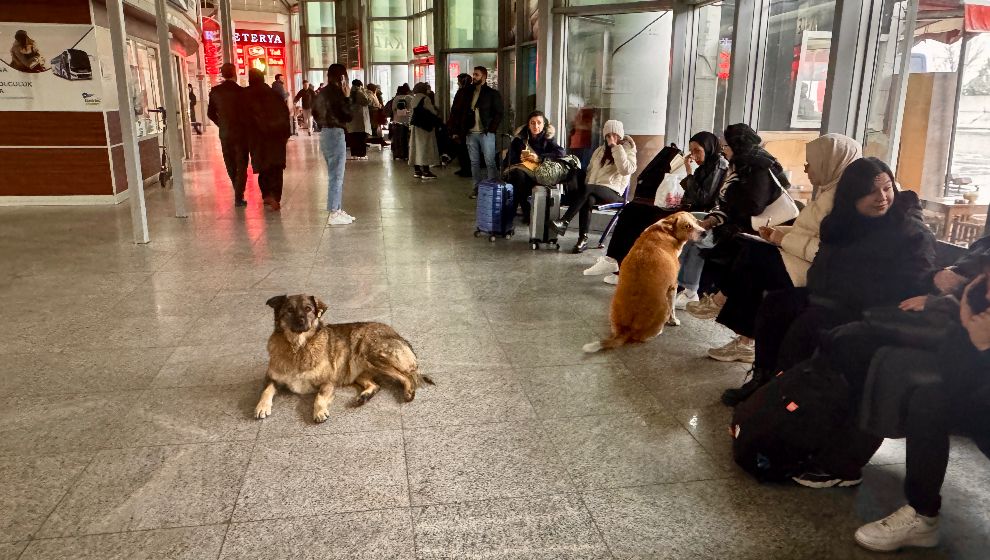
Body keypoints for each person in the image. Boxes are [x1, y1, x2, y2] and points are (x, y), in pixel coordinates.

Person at [726, 157, 937, 406]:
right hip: (829, 297)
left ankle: (784, 395)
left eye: (887, 188)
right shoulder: (841, 224)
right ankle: (764, 379)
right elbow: (823, 266)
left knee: (807, 325)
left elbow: (914, 282)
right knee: (776, 304)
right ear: (851, 196)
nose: (882, 197)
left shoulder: (909, 232)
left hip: (870, 309)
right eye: (871, 192)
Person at [695, 134, 862, 366]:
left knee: (754, 259)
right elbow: (811, 233)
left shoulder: (843, 200)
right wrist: (780, 234)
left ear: (829, 163)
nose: (806, 168)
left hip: (819, 270)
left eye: (811, 163)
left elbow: (825, 249)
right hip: (803, 259)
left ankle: (727, 310)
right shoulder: (830, 191)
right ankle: (741, 334)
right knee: (750, 253)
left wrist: (782, 240)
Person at [683, 123, 790, 315]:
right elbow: (729, 205)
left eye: (726, 146)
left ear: (736, 145)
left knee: (729, 252)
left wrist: (718, 215)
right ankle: (700, 293)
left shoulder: (758, 167)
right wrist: (711, 220)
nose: (723, 151)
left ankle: (713, 298)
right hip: (743, 224)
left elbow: (751, 206)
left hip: (762, 229)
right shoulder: (740, 166)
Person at [551, 120, 637, 253]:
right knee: (588, 198)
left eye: (614, 135)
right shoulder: (599, 151)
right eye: (608, 135)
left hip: (614, 193)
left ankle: (564, 221)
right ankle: (582, 239)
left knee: (588, 189)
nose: (611, 138)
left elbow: (626, 170)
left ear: (620, 136)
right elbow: (590, 172)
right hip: (594, 191)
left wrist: (615, 147)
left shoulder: (628, 150)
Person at [448, 66, 504, 198]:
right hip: (470, 132)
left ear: (484, 76)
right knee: (474, 162)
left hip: (485, 132)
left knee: (489, 161)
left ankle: (492, 188)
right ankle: (476, 188)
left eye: (477, 75)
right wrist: (458, 129)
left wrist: (491, 129)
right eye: (473, 74)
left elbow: (499, 113)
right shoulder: (467, 92)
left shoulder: (492, 93)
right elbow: (459, 111)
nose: (474, 77)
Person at [504, 110, 566, 225]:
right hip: (521, 174)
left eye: (539, 123)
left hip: (539, 175)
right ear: (528, 124)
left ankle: (523, 214)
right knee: (518, 176)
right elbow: (507, 161)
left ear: (544, 125)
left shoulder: (547, 139)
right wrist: (521, 158)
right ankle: (527, 213)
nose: (536, 126)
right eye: (532, 123)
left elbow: (561, 153)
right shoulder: (520, 139)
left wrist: (539, 158)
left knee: (520, 182)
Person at [312, 63, 355, 225]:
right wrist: (347, 97)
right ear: (342, 77)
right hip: (336, 133)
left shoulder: (321, 93)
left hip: (325, 133)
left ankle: (337, 208)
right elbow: (348, 115)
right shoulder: (338, 93)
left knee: (334, 173)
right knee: (336, 175)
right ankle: (334, 212)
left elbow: (315, 113)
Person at [244, 69, 291, 211]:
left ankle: (266, 195)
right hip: (277, 138)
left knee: (264, 168)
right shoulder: (274, 94)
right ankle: (275, 196)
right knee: (276, 168)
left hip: (258, 139)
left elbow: (242, 119)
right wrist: (285, 136)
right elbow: (285, 114)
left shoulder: (246, 96)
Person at [207, 63, 249, 207]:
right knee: (242, 164)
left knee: (230, 163)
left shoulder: (215, 92)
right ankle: (239, 195)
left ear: (222, 74)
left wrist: (222, 124)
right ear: (234, 73)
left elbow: (210, 113)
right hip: (241, 133)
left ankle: (236, 189)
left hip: (225, 133)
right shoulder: (242, 92)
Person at [408, 82, 440, 180]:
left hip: (415, 127)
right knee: (425, 147)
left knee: (415, 148)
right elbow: (432, 112)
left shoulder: (413, 99)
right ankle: (426, 171)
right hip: (424, 127)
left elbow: (411, 114)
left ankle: (417, 170)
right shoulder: (425, 98)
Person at [447, 73, 475, 178]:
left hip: (462, 123)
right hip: (463, 123)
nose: (458, 82)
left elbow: (458, 109)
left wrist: (454, 124)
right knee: (462, 148)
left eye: (459, 80)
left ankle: (466, 169)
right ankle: (464, 168)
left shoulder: (464, 92)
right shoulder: (470, 91)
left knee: (463, 148)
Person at [345, 79, 380, 160]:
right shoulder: (359, 93)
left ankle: (354, 154)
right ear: (360, 85)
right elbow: (366, 101)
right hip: (360, 118)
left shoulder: (350, 92)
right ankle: (361, 154)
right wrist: (367, 94)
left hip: (353, 120)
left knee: (354, 137)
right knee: (361, 138)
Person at [385, 84, 413, 160]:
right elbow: (412, 109)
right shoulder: (410, 98)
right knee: (406, 139)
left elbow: (393, 109)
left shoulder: (396, 98)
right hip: (407, 122)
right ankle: (405, 155)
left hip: (396, 121)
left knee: (397, 139)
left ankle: (397, 154)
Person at [366, 84, 389, 148]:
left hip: (375, 112)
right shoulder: (370, 94)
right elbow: (371, 103)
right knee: (375, 127)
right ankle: (379, 140)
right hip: (373, 113)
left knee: (377, 127)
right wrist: (378, 106)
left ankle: (380, 140)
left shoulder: (372, 94)